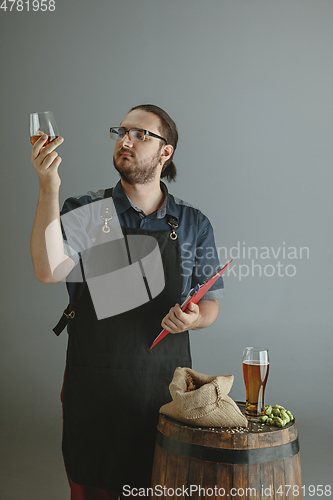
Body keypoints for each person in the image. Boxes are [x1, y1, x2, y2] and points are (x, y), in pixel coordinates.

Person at [30, 104, 224, 499]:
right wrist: (49, 187)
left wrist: (193, 320)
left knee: (162, 484)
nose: (126, 140)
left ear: (165, 152)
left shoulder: (192, 223)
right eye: (121, 132)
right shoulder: (87, 211)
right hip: (95, 385)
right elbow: (48, 270)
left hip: (166, 390)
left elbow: (210, 306)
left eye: (140, 134)